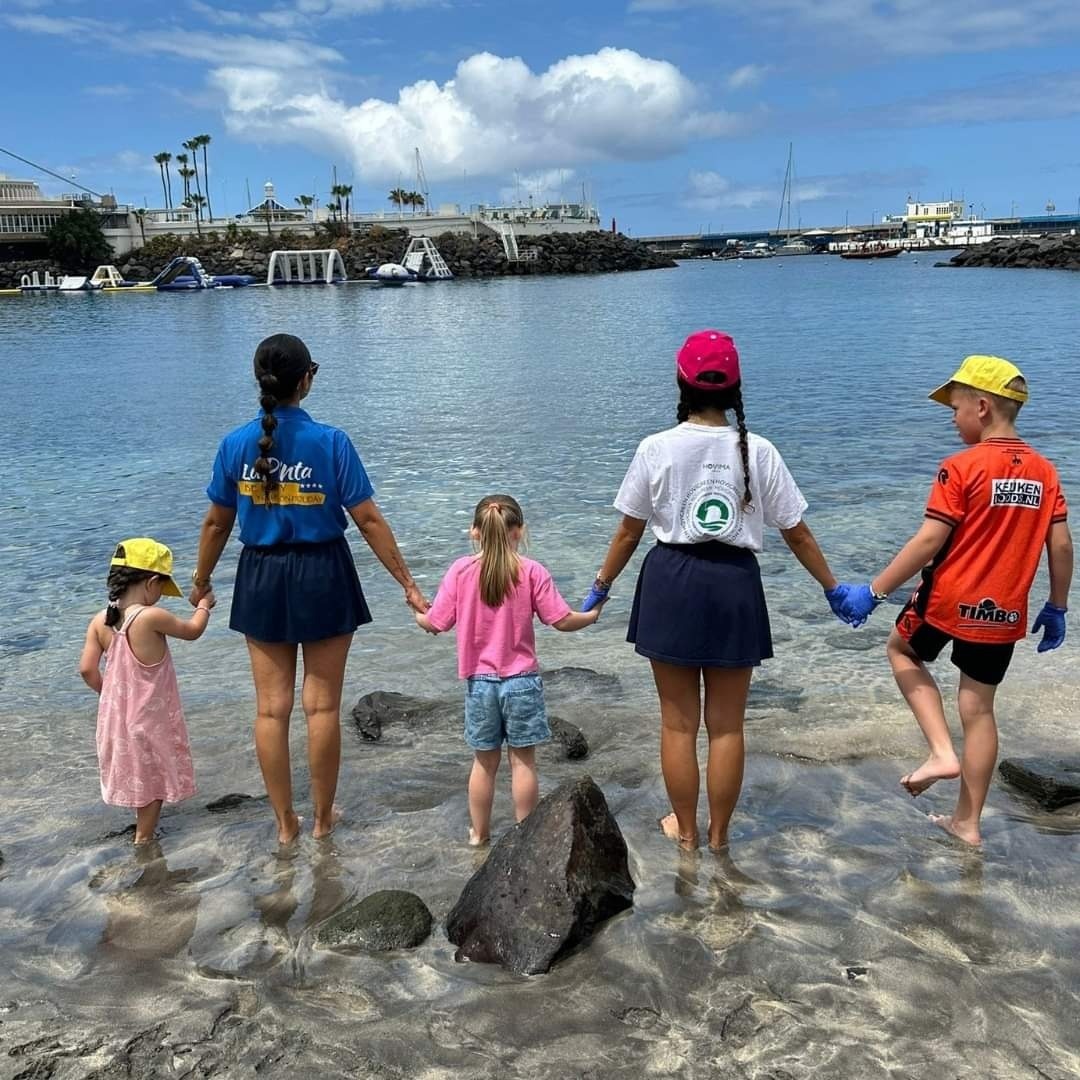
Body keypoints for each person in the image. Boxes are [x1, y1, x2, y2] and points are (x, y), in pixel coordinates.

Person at [583, 330, 852, 852]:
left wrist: (601, 586)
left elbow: (627, 532)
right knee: (727, 728)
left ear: (681, 382)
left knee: (678, 725)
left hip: (671, 581)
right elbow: (795, 531)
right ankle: (720, 837)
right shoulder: (760, 450)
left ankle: (685, 835)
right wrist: (832, 587)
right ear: (735, 389)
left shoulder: (655, 447)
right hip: (734, 585)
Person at [189, 334, 427, 844]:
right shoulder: (332, 442)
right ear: (306, 381)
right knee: (321, 707)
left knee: (270, 710)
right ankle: (321, 821)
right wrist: (407, 583)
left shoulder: (233, 444)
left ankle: (283, 826)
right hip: (323, 573)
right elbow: (367, 519)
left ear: (261, 381)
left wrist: (201, 580)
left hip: (261, 577)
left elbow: (215, 525)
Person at [840, 355, 1072, 846]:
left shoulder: (960, 467)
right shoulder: (1046, 472)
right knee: (980, 708)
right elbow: (1062, 546)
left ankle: (941, 751)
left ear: (982, 406)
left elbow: (928, 542)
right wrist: (1056, 606)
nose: (952, 417)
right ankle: (968, 823)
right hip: (1005, 611)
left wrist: (876, 590)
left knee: (900, 651)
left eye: (956, 407)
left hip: (948, 601)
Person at [415, 494, 603, 846]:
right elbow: (561, 620)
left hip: (479, 683)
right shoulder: (532, 571)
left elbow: (436, 622)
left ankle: (478, 835)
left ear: (475, 532)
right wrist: (591, 616)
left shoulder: (460, 570)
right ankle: (524, 838)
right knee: (523, 764)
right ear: (519, 531)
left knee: (484, 764)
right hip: (522, 682)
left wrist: (417, 612)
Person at [79, 539, 215, 844]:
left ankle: (142, 832)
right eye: (161, 589)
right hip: (148, 719)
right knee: (152, 780)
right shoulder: (150, 617)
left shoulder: (100, 621)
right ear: (151, 582)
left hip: (115, 719)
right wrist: (204, 606)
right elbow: (193, 631)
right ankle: (144, 838)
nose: (159, 597)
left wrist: (109, 696)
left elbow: (87, 669)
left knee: (137, 773)